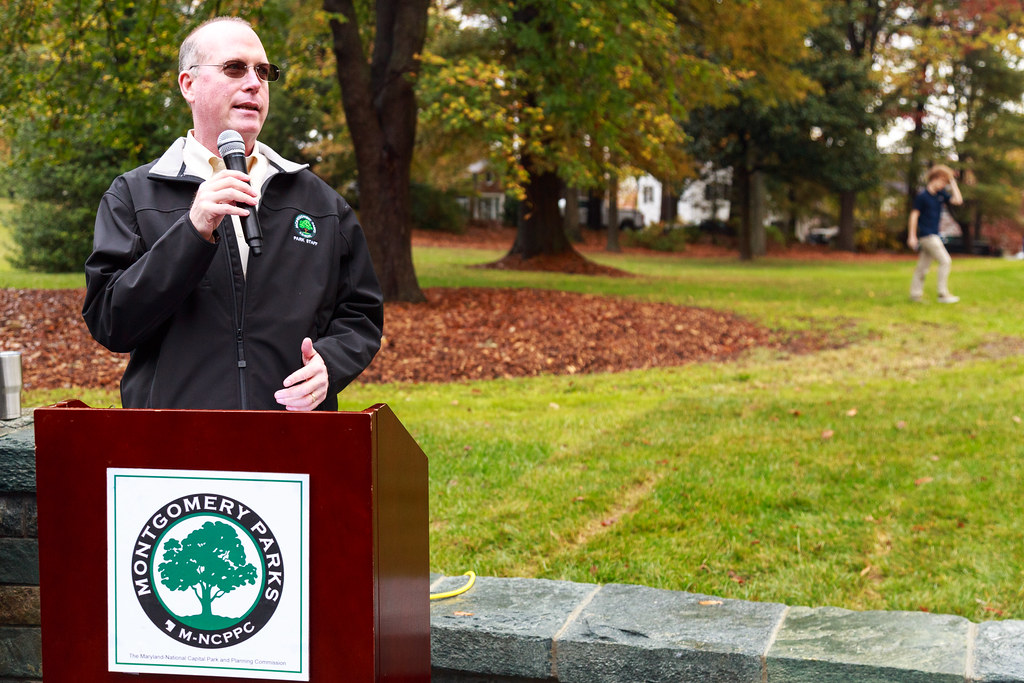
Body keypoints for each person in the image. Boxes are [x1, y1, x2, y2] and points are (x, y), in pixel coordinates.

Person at [82, 17, 383, 411]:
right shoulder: (133, 195)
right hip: (174, 437)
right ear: (188, 85)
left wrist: (331, 363)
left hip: (291, 434)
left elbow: (360, 315)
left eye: (263, 71)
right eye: (235, 68)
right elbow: (111, 323)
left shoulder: (320, 203)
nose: (254, 82)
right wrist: (192, 230)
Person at [907, 164, 963, 304]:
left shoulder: (940, 195)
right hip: (928, 236)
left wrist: (952, 182)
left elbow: (958, 200)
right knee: (945, 261)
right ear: (935, 178)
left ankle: (915, 295)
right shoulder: (922, 197)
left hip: (934, 235)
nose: (944, 185)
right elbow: (914, 216)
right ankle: (942, 294)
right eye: (943, 181)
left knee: (922, 267)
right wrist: (912, 236)